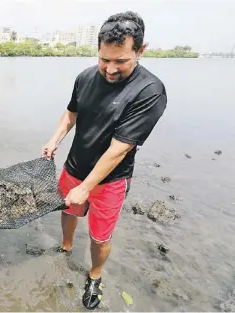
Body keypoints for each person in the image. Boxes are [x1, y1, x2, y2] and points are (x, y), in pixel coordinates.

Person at [42, 11, 167, 310]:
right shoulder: (85, 77)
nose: (110, 69)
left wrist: (87, 187)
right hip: (74, 167)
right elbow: (71, 113)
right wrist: (54, 139)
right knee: (68, 212)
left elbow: (119, 149)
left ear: (140, 50)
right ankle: (66, 245)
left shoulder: (149, 91)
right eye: (104, 59)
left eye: (120, 61)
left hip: (110, 180)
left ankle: (95, 274)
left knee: (100, 237)